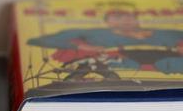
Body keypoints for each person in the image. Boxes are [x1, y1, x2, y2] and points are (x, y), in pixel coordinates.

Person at [28, 9, 183, 75]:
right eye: (117, 18)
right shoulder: (94, 33)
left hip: (170, 64)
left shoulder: (166, 33)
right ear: (108, 22)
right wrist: (80, 45)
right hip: (119, 64)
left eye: (129, 17)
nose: (125, 20)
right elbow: (36, 40)